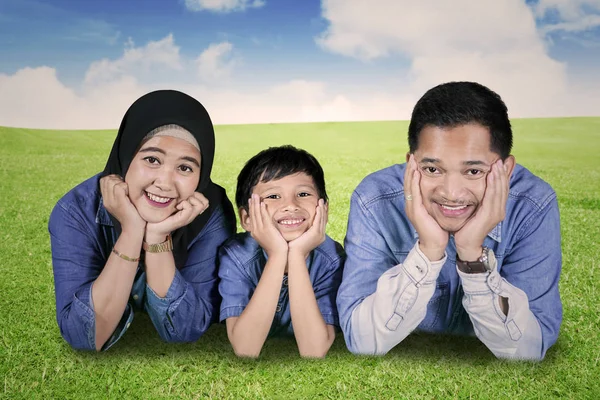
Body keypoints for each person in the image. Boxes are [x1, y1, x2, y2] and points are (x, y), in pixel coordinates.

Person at [337, 81, 562, 360]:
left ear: (506, 169)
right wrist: (428, 250)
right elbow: (362, 341)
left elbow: (527, 350)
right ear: (411, 163)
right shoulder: (374, 200)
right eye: (432, 169)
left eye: (473, 172)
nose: (451, 194)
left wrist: (472, 256)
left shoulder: (533, 206)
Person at [49, 90, 236, 351]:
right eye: (152, 159)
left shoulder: (211, 212)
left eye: (185, 167)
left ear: (201, 174)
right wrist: (132, 231)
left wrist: (157, 238)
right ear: (126, 157)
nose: (164, 183)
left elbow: (186, 328)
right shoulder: (75, 210)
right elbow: (85, 335)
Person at [218, 145, 345, 358]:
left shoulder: (331, 259)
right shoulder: (237, 255)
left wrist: (295, 255)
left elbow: (314, 350)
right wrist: (277, 254)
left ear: (324, 208)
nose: (291, 205)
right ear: (247, 218)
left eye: (303, 194)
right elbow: (245, 348)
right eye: (273, 196)